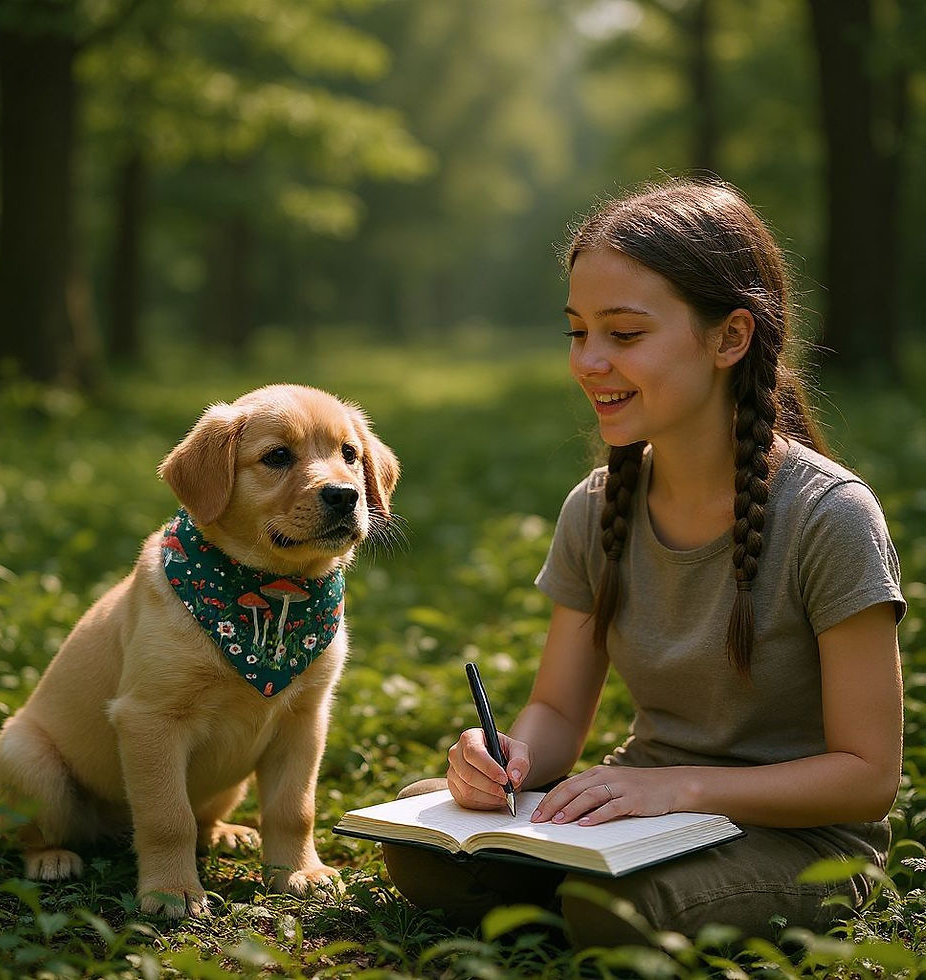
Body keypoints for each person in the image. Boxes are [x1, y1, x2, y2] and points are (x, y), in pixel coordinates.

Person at [382, 177, 905, 948]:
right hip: (640, 817)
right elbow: (559, 712)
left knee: (613, 908)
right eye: (577, 332)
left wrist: (679, 787)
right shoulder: (596, 507)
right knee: (423, 828)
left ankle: (582, 897)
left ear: (730, 339)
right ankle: (574, 881)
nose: (589, 361)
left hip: (800, 841)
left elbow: (867, 777)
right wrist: (506, 762)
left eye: (624, 335)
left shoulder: (829, 516)